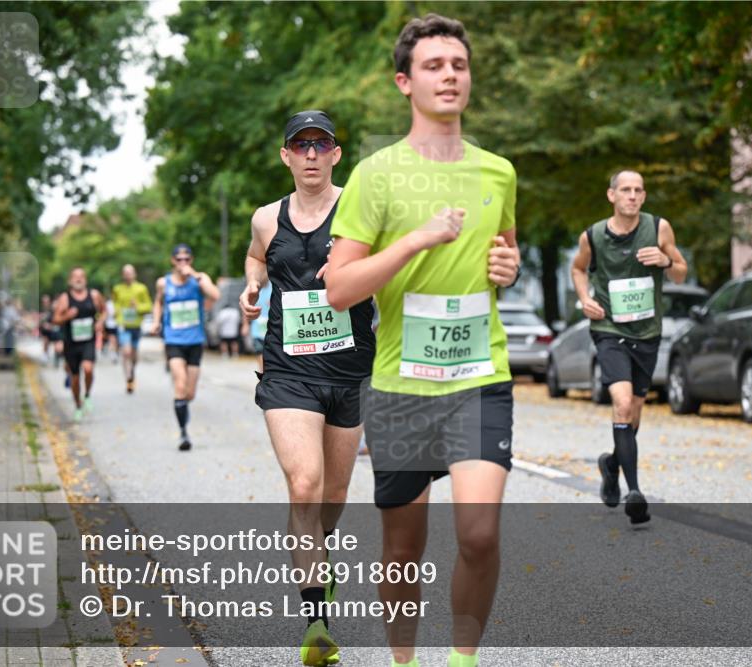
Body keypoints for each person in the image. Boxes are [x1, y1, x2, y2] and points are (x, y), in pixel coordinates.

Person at [324, 15, 520, 667]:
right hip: (402, 384)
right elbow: (340, 288)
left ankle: (462, 659)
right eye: (434, 65)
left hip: (478, 376)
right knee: (403, 545)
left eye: (458, 64)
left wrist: (508, 270)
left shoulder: (499, 173)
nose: (450, 75)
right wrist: (414, 240)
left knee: (480, 532)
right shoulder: (378, 176)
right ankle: (403, 660)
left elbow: (506, 254)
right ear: (405, 82)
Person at [240, 109, 377, 667]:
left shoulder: (359, 212)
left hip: (347, 370)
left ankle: (314, 552)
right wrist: (252, 286)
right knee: (305, 484)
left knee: (333, 498)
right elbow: (255, 258)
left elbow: (387, 267)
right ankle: (316, 622)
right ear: (287, 156)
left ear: (336, 154)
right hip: (288, 370)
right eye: (302, 145)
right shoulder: (265, 218)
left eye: (322, 144)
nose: (312, 154)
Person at [570, 170, 687, 525]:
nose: (632, 196)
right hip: (608, 328)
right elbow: (578, 269)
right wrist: (584, 298)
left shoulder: (659, 228)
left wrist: (666, 262)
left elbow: (681, 271)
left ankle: (611, 464)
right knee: (621, 404)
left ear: (644, 196)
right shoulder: (593, 235)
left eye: (638, 190)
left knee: (634, 411)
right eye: (625, 190)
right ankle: (634, 491)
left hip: (646, 332)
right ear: (612, 195)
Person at [151, 244, 219, 451]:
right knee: (179, 385)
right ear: (173, 261)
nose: (183, 263)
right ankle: (183, 433)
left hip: (195, 341)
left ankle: (183, 405)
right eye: (179, 259)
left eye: (187, 259)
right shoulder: (163, 283)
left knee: (189, 393)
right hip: (173, 340)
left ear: (191, 260)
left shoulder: (199, 279)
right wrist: (156, 321)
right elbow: (158, 303)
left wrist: (195, 275)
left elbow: (215, 295)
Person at [53, 267, 106, 422]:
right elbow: (55, 319)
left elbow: (104, 311)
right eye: (75, 277)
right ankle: (77, 405)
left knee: (88, 369)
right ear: (70, 281)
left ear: (85, 279)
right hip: (71, 343)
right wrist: (67, 316)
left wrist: (100, 322)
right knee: (75, 378)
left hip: (88, 340)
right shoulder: (65, 298)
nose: (78, 279)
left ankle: (87, 394)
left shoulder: (94, 295)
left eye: (81, 276)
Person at [112, 265, 153, 393]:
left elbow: (148, 306)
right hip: (123, 325)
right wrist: (117, 314)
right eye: (125, 273)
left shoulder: (141, 288)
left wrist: (138, 307)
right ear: (122, 275)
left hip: (136, 325)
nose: (128, 275)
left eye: (130, 273)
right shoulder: (117, 289)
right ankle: (128, 378)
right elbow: (115, 304)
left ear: (134, 274)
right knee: (126, 352)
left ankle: (132, 371)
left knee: (134, 354)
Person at [102, 296, 119, 363]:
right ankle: (113, 355)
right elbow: (105, 313)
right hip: (110, 324)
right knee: (113, 340)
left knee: (117, 341)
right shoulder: (109, 304)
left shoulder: (121, 302)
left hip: (120, 325)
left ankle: (115, 353)